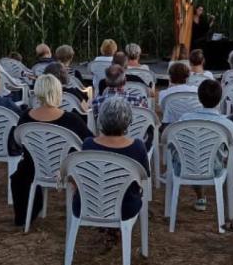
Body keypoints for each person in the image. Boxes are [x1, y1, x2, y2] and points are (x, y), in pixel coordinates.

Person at [10, 74, 93, 227]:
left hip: (34, 167)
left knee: (19, 175)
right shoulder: (71, 120)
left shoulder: (25, 118)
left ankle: (24, 217)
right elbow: (89, 144)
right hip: (66, 170)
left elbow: (17, 141)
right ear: (57, 92)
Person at [75, 98, 149, 226]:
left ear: (101, 119)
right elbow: (143, 178)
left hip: (89, 206)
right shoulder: (138, 147)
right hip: (125, 208)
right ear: (128, 121)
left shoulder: (88, 144)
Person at [179, 79, 233, 211]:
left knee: (194, 155)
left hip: (188, 166)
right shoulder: (227, 124)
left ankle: (200, 196)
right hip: (215, 168)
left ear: (199, 97)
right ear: (220, 98)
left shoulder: (184, 118)